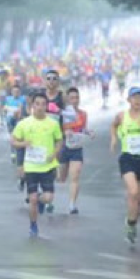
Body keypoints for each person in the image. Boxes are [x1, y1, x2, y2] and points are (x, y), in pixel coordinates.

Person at [11, 93, 64, 237]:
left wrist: (55, 153)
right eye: (37, 104)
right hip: (31, 167)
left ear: (46, 106)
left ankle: (40, 200)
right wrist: (23, 144)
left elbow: (59, 141)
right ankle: (33, 226)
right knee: (32, 199)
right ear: (32, 105)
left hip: (47, 166)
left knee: (48, 198)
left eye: (43, 104)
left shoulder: (53, 123)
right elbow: (13, 141)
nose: (40, 107)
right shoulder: (24, 123)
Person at [111, 87, 140, 244]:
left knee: (137, 196)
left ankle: (131, 224)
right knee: (133, 190)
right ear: (129, 100)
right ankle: (131, 223)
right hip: (128, 158)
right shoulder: (122, 116)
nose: (137, 101)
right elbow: (114, 125)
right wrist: (113, 139)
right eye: (134, 97)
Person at [58, 87, 90, 215]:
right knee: (61, 178)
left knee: (75, 176)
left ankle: (72, 205)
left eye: (77, 97)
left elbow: (83, 129)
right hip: (64, 147)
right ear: (67, 99)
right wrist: (65, 132)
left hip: (77, 148)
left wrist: (89, 132)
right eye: (72, 98)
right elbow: (56, 130)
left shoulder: (83, 114)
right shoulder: (63, 114)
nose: (75, 100)